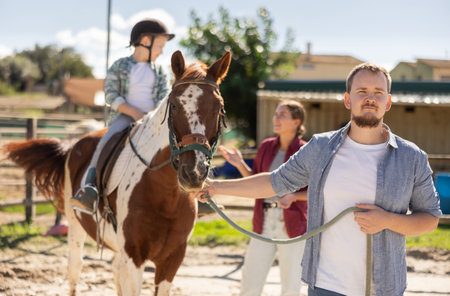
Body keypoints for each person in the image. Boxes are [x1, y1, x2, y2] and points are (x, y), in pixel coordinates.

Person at [197, 63, 442, 296]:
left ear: (387, 102)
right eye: (362, 91)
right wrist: (215, 186)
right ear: (348, 99)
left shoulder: (412, 157)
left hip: (384, 287)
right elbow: (274, 182)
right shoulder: (321, 147)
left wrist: (387, 220)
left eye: (378, 92)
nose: (370, 98)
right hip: (325, 286)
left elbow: (430, 219)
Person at [70, 18, 174, 214]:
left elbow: (164, 95)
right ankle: (90, 189)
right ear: (145, 41)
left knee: (176, 143)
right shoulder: (120, 66)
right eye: (159, 46)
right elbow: (110, 94)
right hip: (125, 116)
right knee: (105, 142)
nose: (161, 51)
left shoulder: (161, 71)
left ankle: (192, 193)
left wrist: (151, 116)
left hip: (153, 119)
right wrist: (133, 112)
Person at [218, 100, 307, 296]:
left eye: (282, 115)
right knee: (250, 282)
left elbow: (317, 190)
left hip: (292, 225)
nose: (276, 118)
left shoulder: (306, 151)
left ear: (296, 121)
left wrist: (294, 196)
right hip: (264, 221)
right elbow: (254, 182)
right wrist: (240, 164)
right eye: (275, 114)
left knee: (291, 287)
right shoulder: (266, 146)